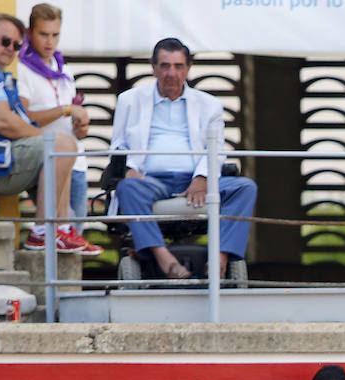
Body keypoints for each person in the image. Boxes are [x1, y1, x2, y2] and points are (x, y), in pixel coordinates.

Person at [0, 12, 100, 255]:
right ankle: (43, 232)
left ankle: (61, 229)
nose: (11, 49)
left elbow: (16, 121)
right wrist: (47, 138)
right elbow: (4, 123)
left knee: (64, 146)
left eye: (16, 45)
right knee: (61, 145)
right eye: (5, 42)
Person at [111, 38, 259, 280]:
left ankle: (220, 259)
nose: (171, 73)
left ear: (188, 68)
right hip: (150, 181)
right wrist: (128, 169)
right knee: (127, 187)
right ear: (153, 67)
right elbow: (118, 145)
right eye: (165, 66)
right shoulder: (130, 100)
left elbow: (217, 149)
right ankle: (165, 260)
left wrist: (202, 178)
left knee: (245, 187)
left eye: (178, 66)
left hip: (195, 181)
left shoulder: (209, 104)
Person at [15, 4, 91, 253]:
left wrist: (80, 126)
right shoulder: (22, 68)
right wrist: (66, 110)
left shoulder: (64, 69)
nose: (50, 41)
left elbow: (70, 122)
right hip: (47, 158)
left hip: (75, 159)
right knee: (56, 228)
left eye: (55, 35)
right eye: (43, 34)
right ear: (30, 33)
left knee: (73, 234)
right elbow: (24, 117)